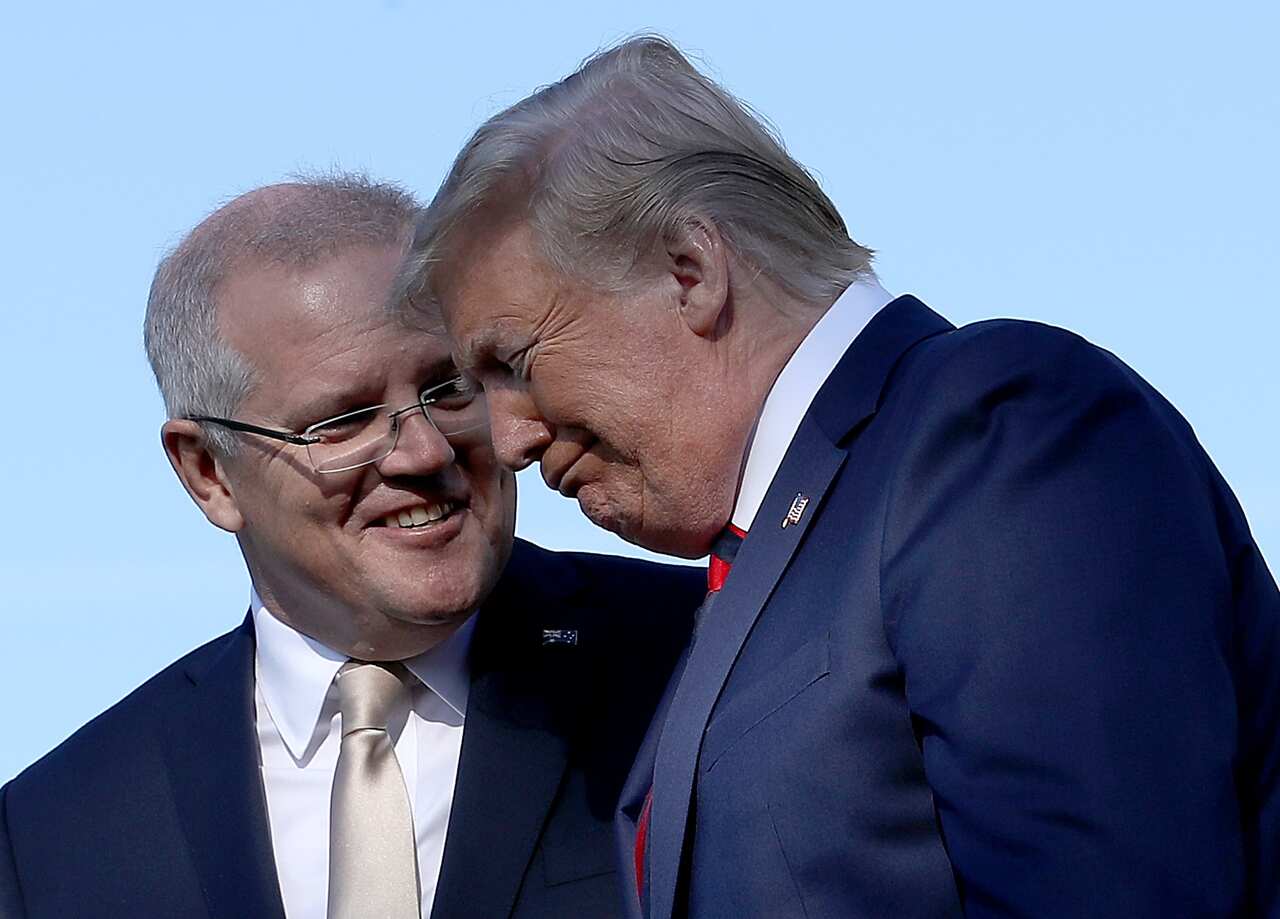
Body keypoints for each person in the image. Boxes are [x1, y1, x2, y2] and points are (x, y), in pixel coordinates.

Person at [399, 36, 1280, 919]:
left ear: (690, 272)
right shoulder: (782, 550)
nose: (507, 440)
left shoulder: (990, 430)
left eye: (514, 363)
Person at [0, 176, 703, 919]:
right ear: (209, 473)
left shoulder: (699, 662)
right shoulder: (55, 839)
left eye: (449, 388)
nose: (424, 450)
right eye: (343, 421)